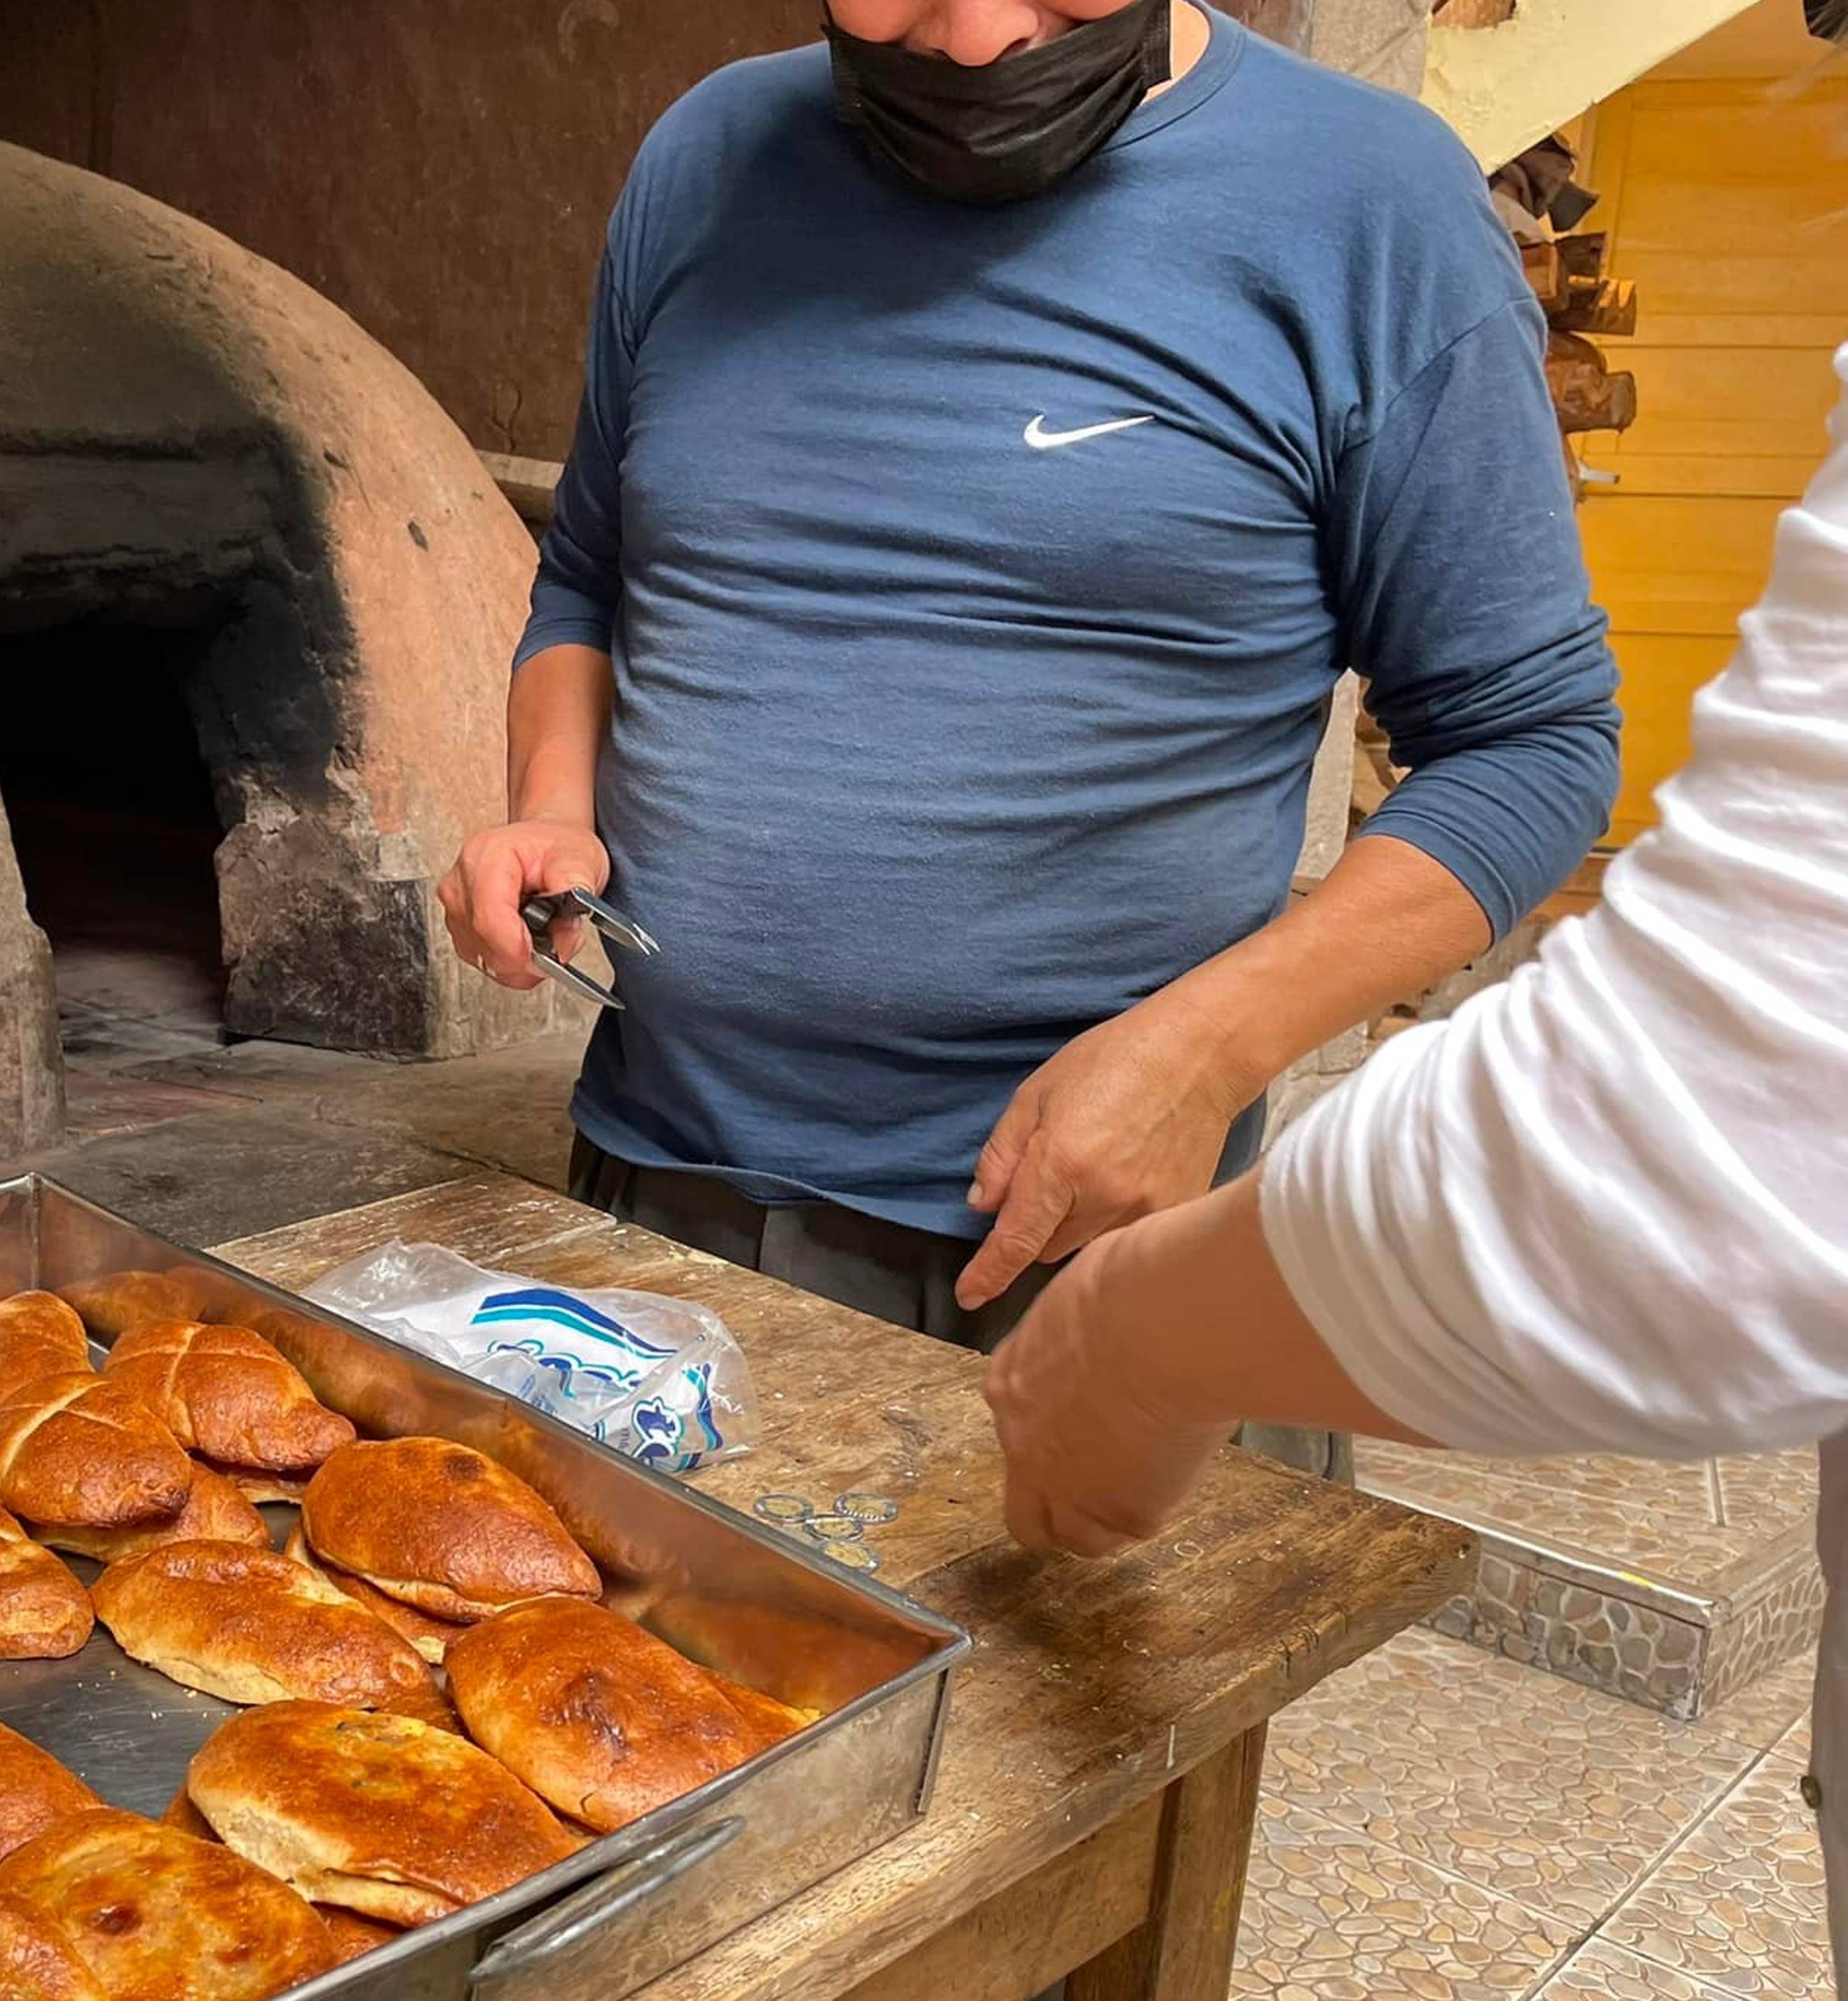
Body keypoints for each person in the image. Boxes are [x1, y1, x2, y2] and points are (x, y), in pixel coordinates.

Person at [438, 0, 1621, 1373]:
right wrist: (553, 805)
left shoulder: (1373, 204)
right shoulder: (708, 156)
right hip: (655, 1193)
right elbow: (590, 580)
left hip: (1082, 1251)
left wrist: (1209, 1053)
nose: (980, 36)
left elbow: (1532, 743)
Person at [984, 348, 1848, 1963]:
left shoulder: (1379, 252)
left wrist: (1132, 1334)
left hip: (1095, 1246)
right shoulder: (700, 215)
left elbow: (1726, 1161)